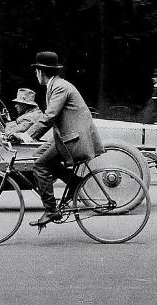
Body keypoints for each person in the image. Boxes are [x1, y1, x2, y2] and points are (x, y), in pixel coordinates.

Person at [9, 51, 105, 226]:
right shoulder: (55, 86)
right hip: (67, 136)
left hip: (74, 139)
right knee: (38, 155)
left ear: (40, 72)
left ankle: (51, 210)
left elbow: (49, 116)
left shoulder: (59, 87)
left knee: (39, 165)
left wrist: (26, 135)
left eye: (36, 71)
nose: (35, 74)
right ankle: (74, 182)